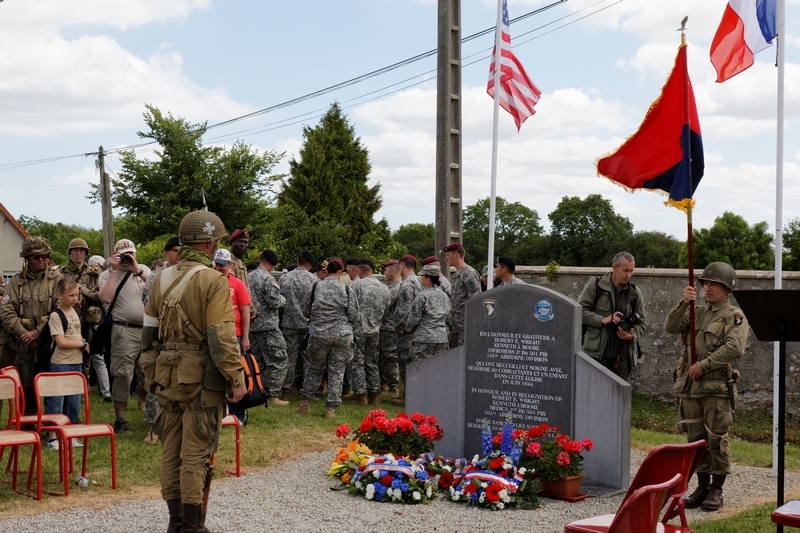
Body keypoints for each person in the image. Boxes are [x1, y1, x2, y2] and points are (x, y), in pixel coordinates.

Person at [140, 210, 246, 533]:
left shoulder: (161, 278)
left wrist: (152, 373)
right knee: (195, 454)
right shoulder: (213, 280)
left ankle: (174, 523)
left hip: (166, 375)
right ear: (211, 244)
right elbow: (220, 338)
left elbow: (148, 335)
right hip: (200, 378)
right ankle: (191, 525)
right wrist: (237, 379)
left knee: (171, 449)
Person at [664, 262, 748, 512]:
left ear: (727, 288)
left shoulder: (735, 316)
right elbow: (671, 327)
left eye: (714, 284)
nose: (707, 288)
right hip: (690, 388)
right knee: (696, 440)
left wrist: (705, 364)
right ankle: (701, 487)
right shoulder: (696, 311)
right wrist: (683, 303)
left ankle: (716, 489)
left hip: (715, 388)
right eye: (705, 283)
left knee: (716, 440)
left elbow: (735, 348)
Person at [0, 236, 63, 414]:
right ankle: (27, 423)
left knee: (53, 385)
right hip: (23, 345)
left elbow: (61, 310)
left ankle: (53, 424)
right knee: (25, 386)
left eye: (44, 256)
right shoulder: (15, 283)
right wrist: (23, 334)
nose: (41, 260)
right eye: (36, 257)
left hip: (49, 343)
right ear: (27, 258)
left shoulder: (57, 280)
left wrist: (37, 332)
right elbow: (6, 311)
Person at [98, 239, 151, 434]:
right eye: (124, 254)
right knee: (123, 373)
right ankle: (120, 416)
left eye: (131, 253)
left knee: (150, 370)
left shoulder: (141, 269)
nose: (128, 257)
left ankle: (150, 411)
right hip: (124, 330)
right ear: (114, 255)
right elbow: (106, 298)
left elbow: (158, 287)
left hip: (147, 329)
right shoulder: (106, 275)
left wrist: (136, 269)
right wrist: (114, 270)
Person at [297, 258, 359, 419]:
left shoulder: (316, 287)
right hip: (341, 335)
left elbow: (305, 311)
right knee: (337, 371)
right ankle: (330, 409)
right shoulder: (346, 290)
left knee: (314, 369)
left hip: (318, 334)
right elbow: (354, 315)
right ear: (340, 272)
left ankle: (304, 404)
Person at [578, 251, 646, 381]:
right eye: (625, 270)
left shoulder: (635, 292)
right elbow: (580, 311)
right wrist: (603, 320)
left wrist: (632, 336)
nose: (629, 275)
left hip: (622, 354)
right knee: (591, 393)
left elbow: (642, 323)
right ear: (614, 267)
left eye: (632, 271)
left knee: (618, 396)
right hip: (595, 353)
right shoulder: (596, 285)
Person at [140, 235, 181, 444]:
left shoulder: (191, 275)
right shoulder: (155, 276)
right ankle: (152, 427)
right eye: (174, 250)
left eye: (181, 250)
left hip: (183, 337)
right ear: (166, 252)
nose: (178, 254)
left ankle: (177, 426)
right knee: (155, 381)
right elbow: (148, 305)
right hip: (161, 336)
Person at [58, 238, 109, 401]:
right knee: (66, 354)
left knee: (86, 357)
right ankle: (67, 389)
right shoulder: (60, 273)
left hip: (86, 320)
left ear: (86, 253)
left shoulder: (94, 274)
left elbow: (101, 298)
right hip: (65, 320)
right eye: (75, 250)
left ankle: (81, 391)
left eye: (82, 251)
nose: (78, 253)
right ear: (70, 253)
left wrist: (82, 290)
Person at [44, 278, 90, 450]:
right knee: (56, 401)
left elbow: (76, 334)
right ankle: (52, 437)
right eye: (70, 295)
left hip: (76, 363)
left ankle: (69, 434)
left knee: (74, 401)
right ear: (60, 295)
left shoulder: (76, 312)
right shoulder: (56, 315)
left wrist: (82, 342)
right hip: (60, 363)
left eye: (76, 294)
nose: (75, 298)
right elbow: (62, 342)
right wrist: (83, 345)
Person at [213, 248, 252, 425]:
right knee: (216, 375)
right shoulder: (209, 282)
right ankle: (220, 412)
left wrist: (245, 337)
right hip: (214, 335)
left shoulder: (237, 284)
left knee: (235, 375)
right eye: (217, 264)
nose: (219, 268)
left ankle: (238, 415)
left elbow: (245, 311)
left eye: (223, 265)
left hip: (234, 335)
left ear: (230, 265)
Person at [249, 249, 289, 406]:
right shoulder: (268, 278)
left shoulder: (249, 276)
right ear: (272, 263)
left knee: (258, 361)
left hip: (252, 326)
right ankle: (272, 395)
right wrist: (283, 299)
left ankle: (259, 391)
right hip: (268, 326)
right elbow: (273, 302)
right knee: (279, 359)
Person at [349, 259, 390, 405]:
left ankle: (361, 395)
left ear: (359, 271)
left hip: (359, 329)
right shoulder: (384, 288)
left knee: (358, 362)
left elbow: (350, 308)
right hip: (375, 329)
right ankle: (375, 394)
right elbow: (386, 311)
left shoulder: (356, 285)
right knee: (372, 362)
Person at [279, 251, 318, 398]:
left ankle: (286, 390)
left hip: (289, 323)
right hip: (308, 324)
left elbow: (280, 300)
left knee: (289, 357)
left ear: (297, 260)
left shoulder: (284, 278)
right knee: (308, 358)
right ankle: (307, 389)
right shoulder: (314, 280)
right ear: (309, 264)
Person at [404, 264, 451, 362]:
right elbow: (449, 316)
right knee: (440, 369)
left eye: (422, 276)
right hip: (441, 338)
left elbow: (414, 318)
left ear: (428, 279)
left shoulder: (422, 296)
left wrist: (406, 329)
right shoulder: (444, 296)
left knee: (422, 371)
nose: (420, 278)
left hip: (424, 339)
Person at [392, 255, 422, 405]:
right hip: (416, 329)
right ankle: (412, 394)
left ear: (402, 265)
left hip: (406, 331)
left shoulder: (406, 284)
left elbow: (405, 309)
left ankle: (408, 397)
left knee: (405, 364)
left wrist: (400, 327)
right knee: (412, 362)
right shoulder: (419, 281)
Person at [444, 243, 481, 348]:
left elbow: (475, 301)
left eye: (448, 255)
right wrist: (452, 328)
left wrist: (471, 327)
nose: (446, 259)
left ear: (456, 255)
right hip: (456, 329)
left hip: (465, 329)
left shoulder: (469, 274)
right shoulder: (456, 275)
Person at [378, 259, 401, 393]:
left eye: (386, 270)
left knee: (390, 356)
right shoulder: (391, 286)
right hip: (386, 326)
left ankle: (393, 384)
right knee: (383, 356)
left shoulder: (397, 287)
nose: (384, 273)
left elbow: (385, 305)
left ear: (392, 270)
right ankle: (386, 382)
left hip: (390, 327)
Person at [228, 229, 255, 315]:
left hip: (244, 310)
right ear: (232, 243)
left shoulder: (241, 264)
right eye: (240, 241)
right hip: (235, 310)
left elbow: (246, 289)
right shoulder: (227, 262)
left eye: (245, 242)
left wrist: (251, 308)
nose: (243, 245)